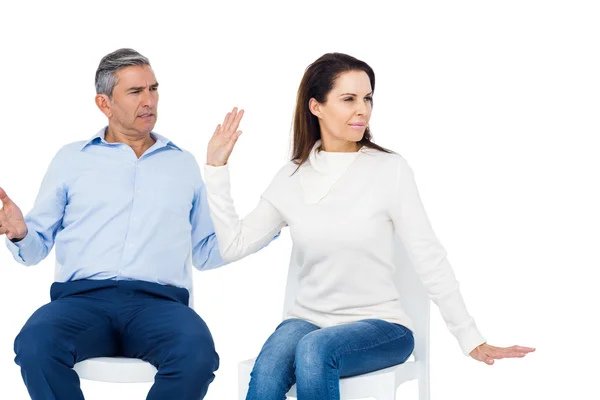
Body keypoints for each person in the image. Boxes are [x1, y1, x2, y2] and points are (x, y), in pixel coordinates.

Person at [203, 53, 536, 400]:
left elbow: (428, 257)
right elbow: (233, 245)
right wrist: (216, 169)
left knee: (314, 351)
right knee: (270, 367)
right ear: (316, 107)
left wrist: (470, 337)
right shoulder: (291, 177)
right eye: (348, 99)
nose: (362, 109)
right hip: (308, 320)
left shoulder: (389, 170)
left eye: (367, 98)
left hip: (382, 327)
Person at [0, 48, 274, 400]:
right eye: (135, 92)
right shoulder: (71, 160)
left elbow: (205, 252)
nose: (149, 100)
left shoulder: (183, 164)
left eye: (153, 89)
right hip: (81, 301)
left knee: (197, 354)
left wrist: (267, 226)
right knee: (35, 345)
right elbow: (33, 249)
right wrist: (20, 233)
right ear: (104, 103)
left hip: (160, 305)